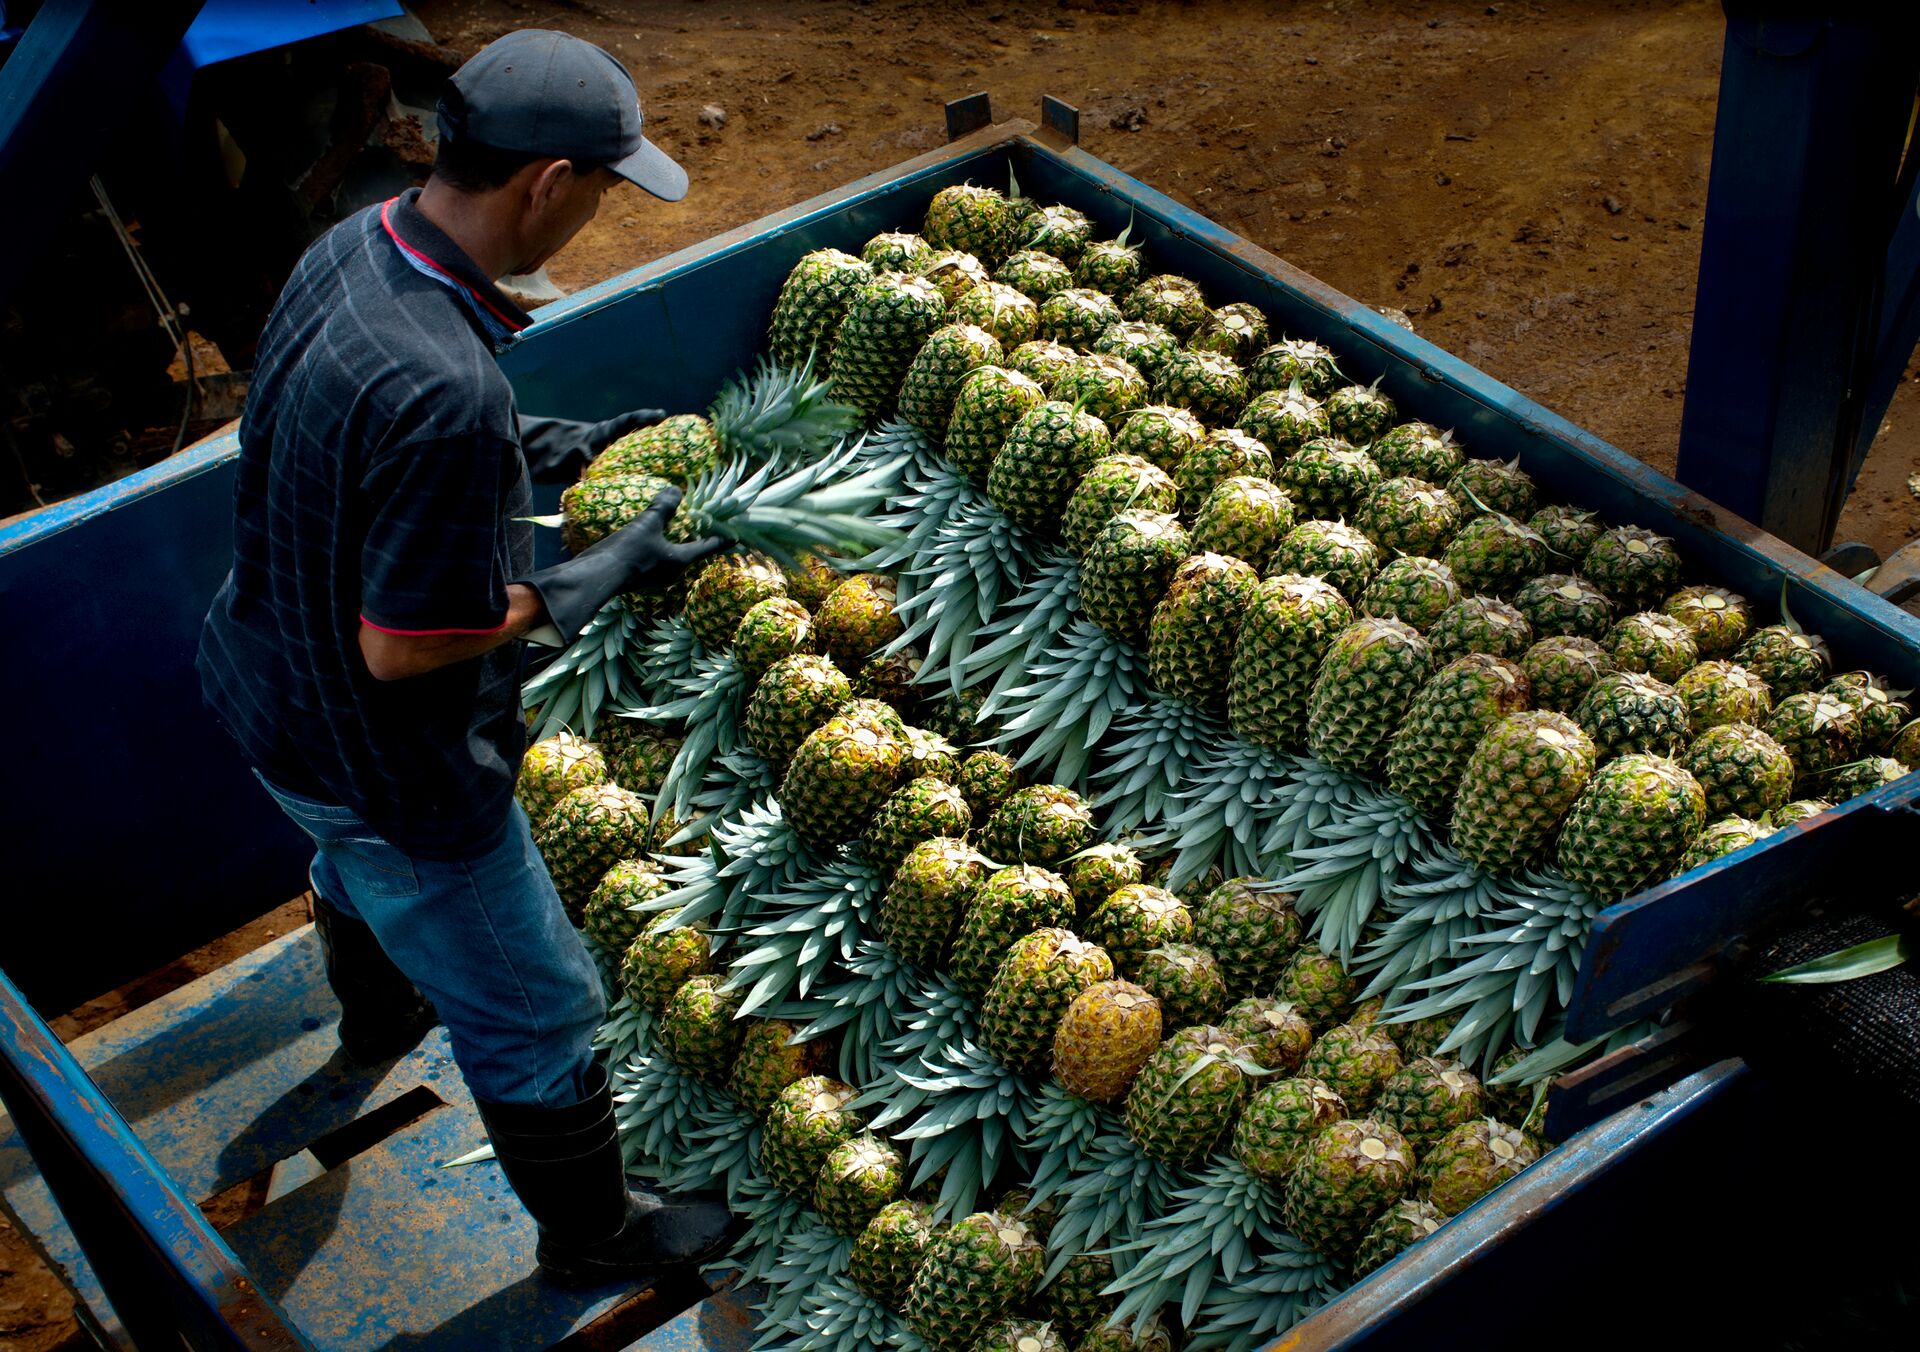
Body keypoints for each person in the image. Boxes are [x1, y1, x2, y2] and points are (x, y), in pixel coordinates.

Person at [195, 29, 734, 1287]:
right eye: (601, 187)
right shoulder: (444, 383)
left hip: (262, 679)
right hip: (382, 753)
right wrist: (585, 579)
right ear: (545, 181)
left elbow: (378, 435)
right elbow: (402, 645)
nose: (596, 213)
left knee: (344, 858)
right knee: (539, 1003)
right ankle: (593, 1237)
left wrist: (573, 441)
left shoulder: (358, 246)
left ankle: (381, 1009)